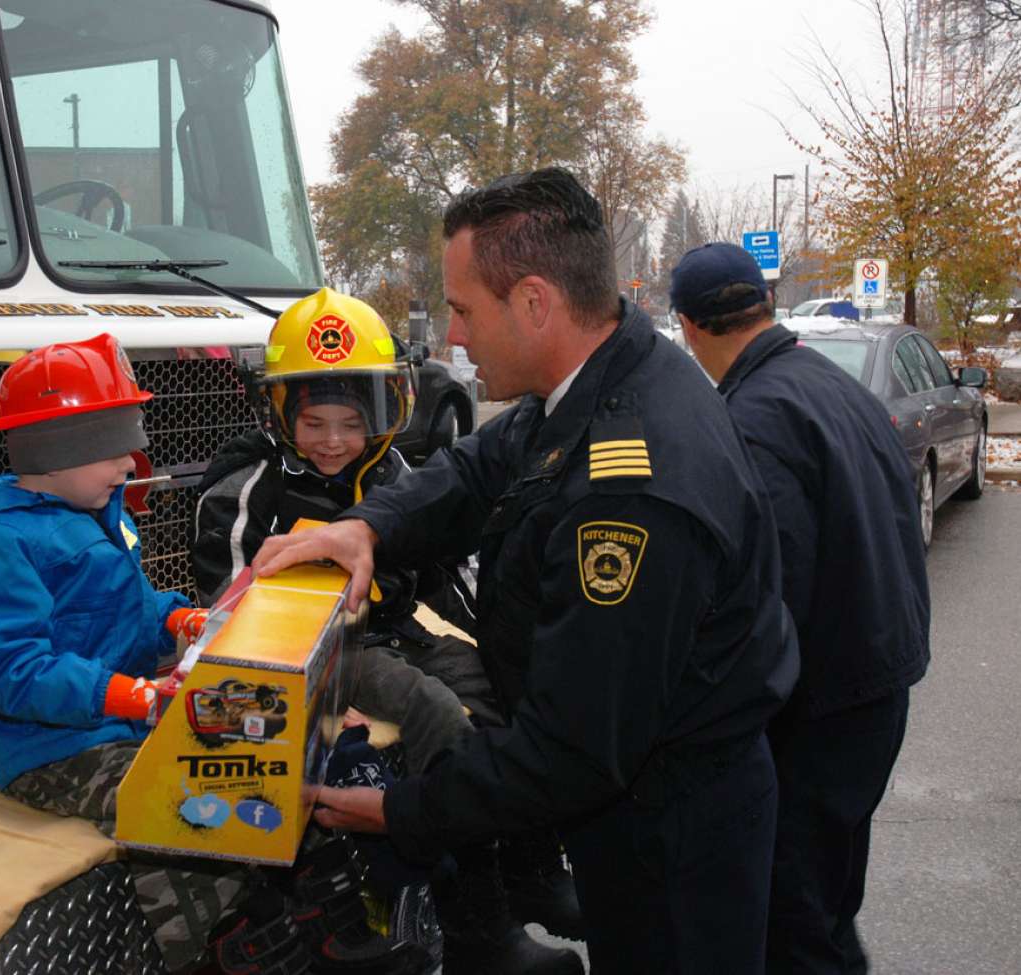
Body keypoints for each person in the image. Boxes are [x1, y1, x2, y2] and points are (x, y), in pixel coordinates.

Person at [249, 167, 801, 974]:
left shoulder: (631, 494)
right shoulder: (608, 369)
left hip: (669, 832)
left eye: (464, 309)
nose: (455, 335)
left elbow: (571, 747)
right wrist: (368, 526)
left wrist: (403, 811)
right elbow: (482, 464)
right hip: (645, 798)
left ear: (535, 302)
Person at [0, 333, 433, 975]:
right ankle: (227, 948)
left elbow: (131, 605)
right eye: (112, 452)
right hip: (54, 746)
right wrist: (131, 696)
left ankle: (334, 926)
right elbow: (13, 673)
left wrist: (184, 620)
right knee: (188, 805)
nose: (128, 468)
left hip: (128, 718)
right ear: (56, 449)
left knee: (281, 748)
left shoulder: (93, 509)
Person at [191, 287, 583, 975]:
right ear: (280, 413)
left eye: (351, 421)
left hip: (397, 628)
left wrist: (487, 647)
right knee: (438, 714)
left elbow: (438, 576)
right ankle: (479, 933)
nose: (335, 441)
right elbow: (228, 605)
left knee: (512, 692)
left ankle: (532, 867)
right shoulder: (249, 487)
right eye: (314, 423)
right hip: (326, 648)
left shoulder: (394, 470)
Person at [670, 242, 931, 974]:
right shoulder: (832, 385)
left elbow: (769, 593)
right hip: (880, 677)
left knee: (792, 916)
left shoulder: (754, 415)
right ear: (763, 302)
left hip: (822, 705)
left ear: (687, 325)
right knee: (830, 897)